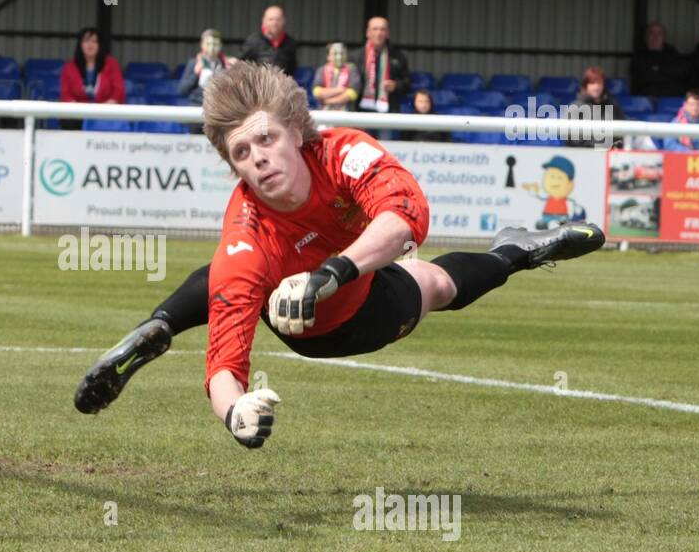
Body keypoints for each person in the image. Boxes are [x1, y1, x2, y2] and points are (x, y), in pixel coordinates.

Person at [72, 62, 605, 447]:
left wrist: (330, 272)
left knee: (428, 280)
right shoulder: (245, 232)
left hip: (353, 287)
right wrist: (235, 411)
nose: (257, 159)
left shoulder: (342, 152)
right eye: (241, 153)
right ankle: (513, 250)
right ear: (232, 167)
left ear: (297, 131)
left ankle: (162, 321)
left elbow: (406, 214)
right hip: (328, 329)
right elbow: (224, 365)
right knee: (241, 277)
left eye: (264, 139)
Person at [351, 16, 411, 140]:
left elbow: (408, 83)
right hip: (360, 112)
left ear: (387, 34)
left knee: (385, 151)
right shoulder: (355, 57)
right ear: (368, 33)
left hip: (387, 112)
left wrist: (396, 85)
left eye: (383, 29)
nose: (379, 33)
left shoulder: (398, 56)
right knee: (363, 150)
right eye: (375, 29)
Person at [58, 27, 125, 130]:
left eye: (94, 41)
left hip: (105, 113)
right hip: (78, 115)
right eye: (86, 41)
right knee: (68, 120)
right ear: (80, 44)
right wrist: (81, 110)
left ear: (100, 45)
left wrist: (101, 109)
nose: (90, 45)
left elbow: (118, 92)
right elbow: (65, 94)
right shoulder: (69, 67)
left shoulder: (112, 64)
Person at [569, 66, 626, 145]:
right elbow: (573, 139)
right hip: (582, 155)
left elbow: (621, 133)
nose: (596, 87)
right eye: (592, 83)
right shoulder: (575, 107)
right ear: (586, 86)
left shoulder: (613, 106)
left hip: (609, 155)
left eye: (599, 83)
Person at [178, 29, 231, 107]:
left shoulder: (226, 64)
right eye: (208, 44)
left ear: (220, 45)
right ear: (202, 45)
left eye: (215, 44)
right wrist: (195, 74)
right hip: (197, 106)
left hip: (218, 108)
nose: (212, 48)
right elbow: (182, 90)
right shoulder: (194, 62)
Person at [631, 22, 685, 98]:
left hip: (670, 97)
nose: (655, 37)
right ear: (646, 36)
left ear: (664, 37)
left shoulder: (673, 53)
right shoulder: (639, 55)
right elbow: (644, 77)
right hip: (644, 98)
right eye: (651, 33)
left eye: (659, 33)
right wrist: (665, 71)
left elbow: (679, 74)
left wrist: (657, 69)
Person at [240, 6, 297, 75]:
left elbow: (292, 69)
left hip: (283, 83)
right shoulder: (253, 41)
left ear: (284, 20)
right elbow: (241, 64)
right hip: (259, 83)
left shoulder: (290, 43)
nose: (274, 23)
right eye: (271, 19)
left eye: (278, 19)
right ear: (264, 21)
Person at [311, 42, 360, 111]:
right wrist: (340, 90)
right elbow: (317, 92)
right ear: (328, 56)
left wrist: (329, 101)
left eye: (342, 54)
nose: (339, 57)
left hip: (346, 114)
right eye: (335, 54)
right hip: (325, 112)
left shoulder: (352, 70)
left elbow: (353, 94)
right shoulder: (322, 70)